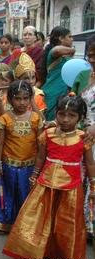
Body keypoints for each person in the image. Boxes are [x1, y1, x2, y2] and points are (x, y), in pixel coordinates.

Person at [3, 95, 94, 259]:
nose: (65, 119)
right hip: (45, 184)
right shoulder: (48, 134)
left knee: (65, 225)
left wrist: (93, 184)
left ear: (80, 118)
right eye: (61, 114)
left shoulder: (84, 138)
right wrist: (34, 176)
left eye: (71, 115)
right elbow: (40, 157)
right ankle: (28, 252)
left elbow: (90, 164)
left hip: (71, 189)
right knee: (35, 217)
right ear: (56, 114)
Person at [0, 80, 42, 233]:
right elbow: (0, 143)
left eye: (26, 98)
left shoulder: (36, 119)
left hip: (28, 167)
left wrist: (38, 168)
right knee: (7, 194)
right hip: (8, 165)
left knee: (24, 195)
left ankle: (22, 225)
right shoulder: (5, 119)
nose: (22, 102)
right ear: (10, 100)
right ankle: (4, 223)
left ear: (31, 98)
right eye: (17, 98)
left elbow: (40, 144)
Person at [71, 40, 95, 242]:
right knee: (82, 178)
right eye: (91, 55)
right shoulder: (87, 77)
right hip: (84, 135)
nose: (94, 59)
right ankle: (84, 224)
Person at [41, 26, 74, 121]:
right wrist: (72, 50)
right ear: (61, 38)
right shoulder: (54, 52)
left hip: (63, 91)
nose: (72, 39)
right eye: (69, 36)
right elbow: (57, 50)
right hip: (53, 91)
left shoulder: (65, 55)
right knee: (49, 122)